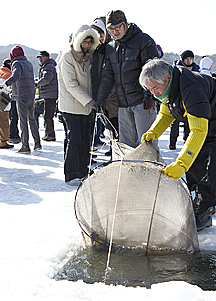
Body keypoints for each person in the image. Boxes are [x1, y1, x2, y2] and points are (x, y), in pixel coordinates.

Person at [139, 58, 216, 231]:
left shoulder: (190, 89)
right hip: (213, 120)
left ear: (168, 78)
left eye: (155, 88)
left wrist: (181, 164)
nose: (154, 93)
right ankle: (196, 197)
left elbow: (198, 131)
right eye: (150, 89)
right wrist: (154, 131)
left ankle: (205, 207)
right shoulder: (168, 89)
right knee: (196, 158)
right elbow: (167, 112)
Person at [97, 10, 159, 149]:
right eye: (111, 29)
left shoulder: (143, 40)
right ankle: (130, 171)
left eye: (118, 27)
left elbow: (153, 70)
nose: (115, 31)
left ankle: (151, 170)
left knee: (147, 144)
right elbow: (108, 76)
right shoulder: (111, 48)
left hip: (142, 102)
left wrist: (149, 95)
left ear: (125, 24)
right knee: (126, 146)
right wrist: (101, 97)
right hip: (123, 104)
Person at [58, 25, 99, 185]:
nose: (87, 45)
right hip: (71, 105)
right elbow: (71, 84)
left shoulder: (88, 57)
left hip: (86, 105)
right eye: (84, 42)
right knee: (74, 138)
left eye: (90, 42)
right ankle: (71, 173)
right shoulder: (68, 57)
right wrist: (89, 100)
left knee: (85, 139)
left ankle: (83, 170)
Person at [0, 45, 41, 154]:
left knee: (23, 121)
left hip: (21, 95)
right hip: (31, 94)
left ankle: (25, 145)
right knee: (31, 119)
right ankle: (37, 143)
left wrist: (6, 84)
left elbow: (16, 75)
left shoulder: (16, 63)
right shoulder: (29, 63)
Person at [91, 16, 119, 157]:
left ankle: (117, 157)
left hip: (112, 98)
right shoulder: (96, 50)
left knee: (116, 128)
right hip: (101, 97)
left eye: (101, 33)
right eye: (96, 34)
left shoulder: (111, 49)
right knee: (109, 128)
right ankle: (114, 154)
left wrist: (106, 94)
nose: (99, 37)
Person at [170, 50, 200, 150]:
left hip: (191, 97)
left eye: (190, 59)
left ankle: (187, 141)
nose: (189, 61)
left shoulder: (196, 69)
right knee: (175, 120)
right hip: (178, 96)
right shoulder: (177, 69)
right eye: (187, 59)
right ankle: (172, 142)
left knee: (189, 121)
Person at [36, 50, 59, 141]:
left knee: (48, 116)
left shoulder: (48, 66)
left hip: (50, 94)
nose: (40, 59)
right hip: (50, 94)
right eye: (39, 58)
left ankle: (50, 134)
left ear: (47, 57)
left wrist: (37, 84)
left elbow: (46, 79)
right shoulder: (47, 66)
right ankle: (48, 133)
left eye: (42, 57)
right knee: (47, 115)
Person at [0, 58, 14, 149]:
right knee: (4, 123)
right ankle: (3, 141)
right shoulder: (9, 75)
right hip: (3, 103)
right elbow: (10, 89)